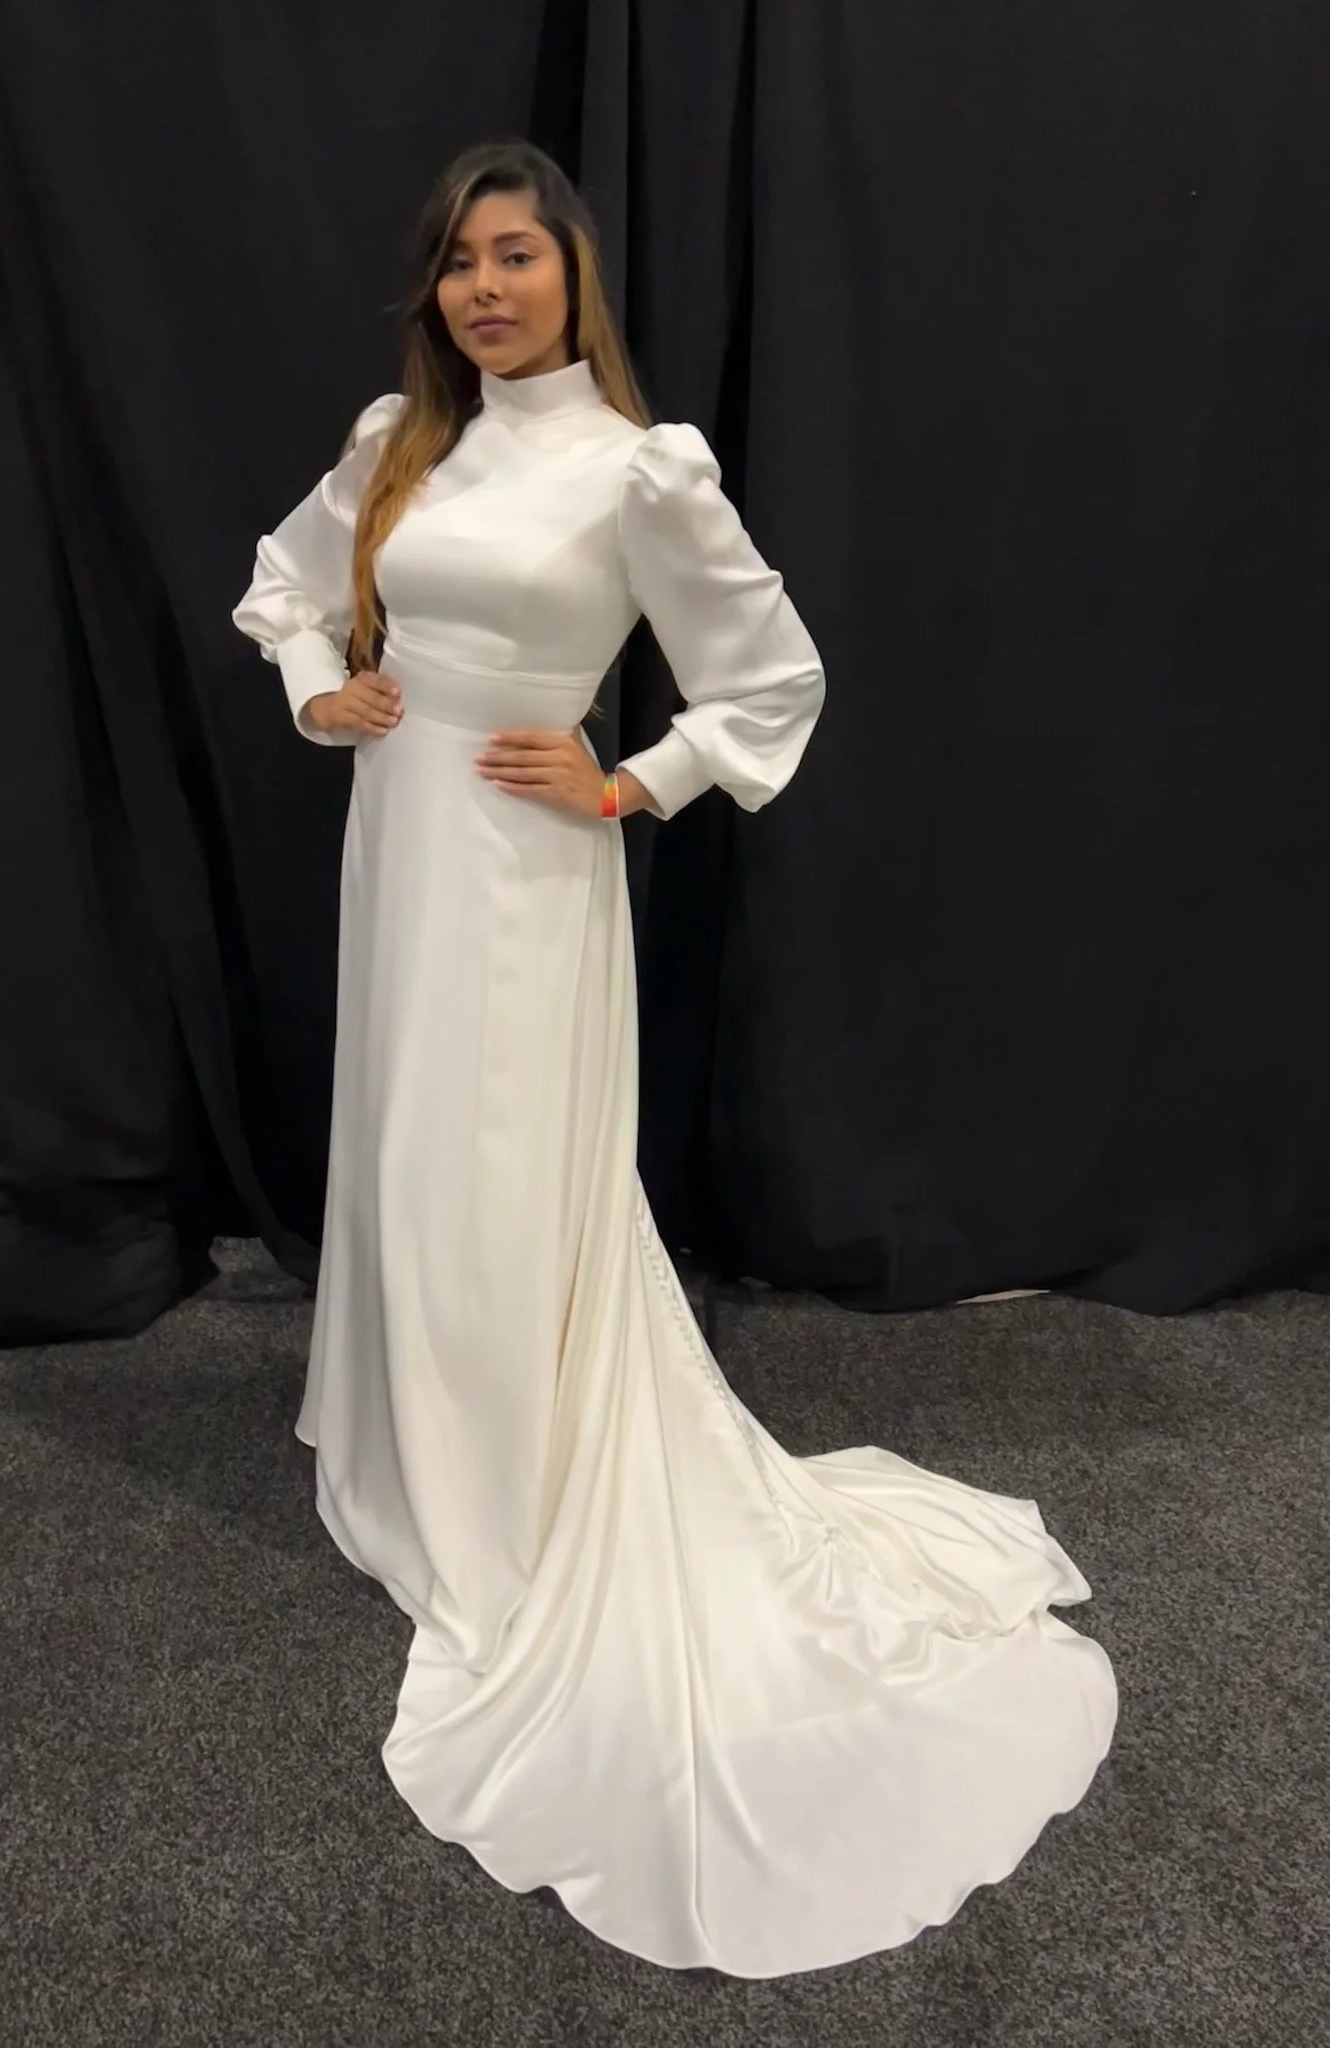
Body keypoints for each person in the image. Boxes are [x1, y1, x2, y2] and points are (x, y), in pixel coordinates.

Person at [233, 140, 1117, 1978]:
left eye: (519, 259)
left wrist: (634, 778)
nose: (487, 289)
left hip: (530, 872)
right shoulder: (397, 441)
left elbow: (767, 677)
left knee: (494, 1170)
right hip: (399, 848)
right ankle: (418, 1462)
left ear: (574, 280)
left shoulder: (638, 470)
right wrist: (324, 684)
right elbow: (284, 585)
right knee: (401, 1150)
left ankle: (504, 1504)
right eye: (463, 262)